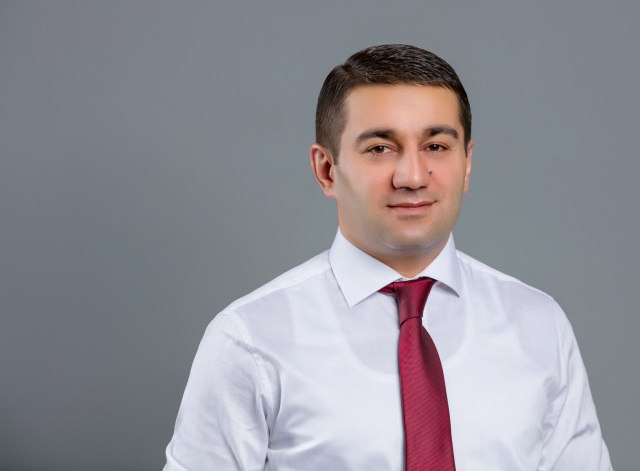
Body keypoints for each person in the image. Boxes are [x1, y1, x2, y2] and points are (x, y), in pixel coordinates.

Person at [163, 44, 613, 470]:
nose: (413, 176)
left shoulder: (539, 326)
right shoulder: (250, 340)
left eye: (436, 146)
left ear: (467, 163)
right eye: (380, 148)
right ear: (326, 170)